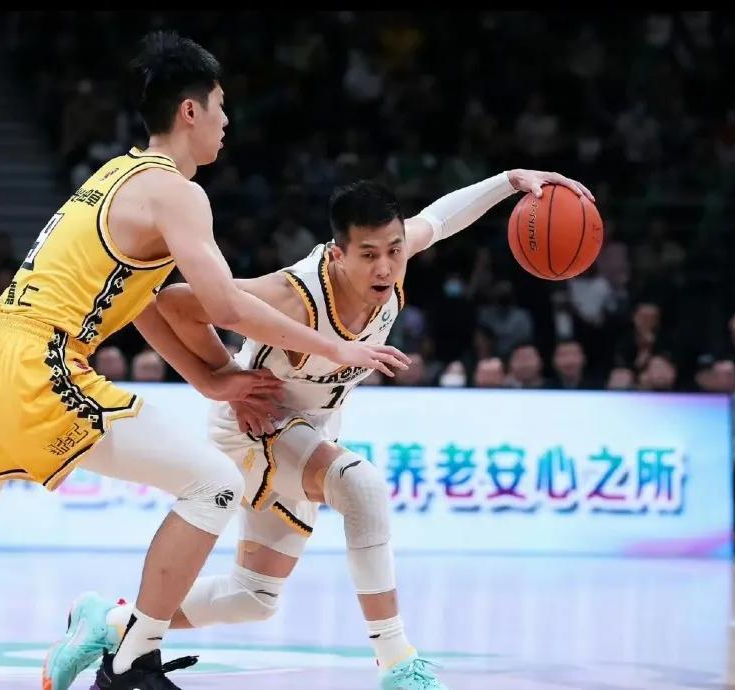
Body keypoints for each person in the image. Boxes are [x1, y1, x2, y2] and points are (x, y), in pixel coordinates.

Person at [0, 31, 407, 690]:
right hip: (37, 360)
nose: (226, 122)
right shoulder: (177, 192)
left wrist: (213, 378)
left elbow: (146, 303)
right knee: (213, 483)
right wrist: (337, 347)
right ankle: (130, 663)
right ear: (190, 111)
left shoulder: (114, 175)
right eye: (220, 107)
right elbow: (223, 304)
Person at [45, 170, 592, 690]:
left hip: (304, 434)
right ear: (337, 255)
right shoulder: (293, 294)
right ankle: (397, 661)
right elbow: (167, 303)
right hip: (254, 428)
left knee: (252, 598)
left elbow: (441, 218)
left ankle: (109, 621)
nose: (385, 267)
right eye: (369, 255)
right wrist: (226, 380)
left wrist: (510, 181)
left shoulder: (394, 264)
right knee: (361, 486)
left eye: (395, 251)